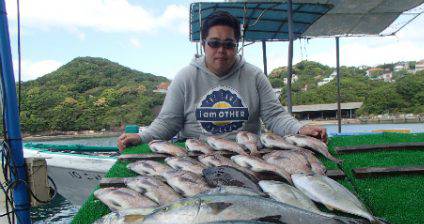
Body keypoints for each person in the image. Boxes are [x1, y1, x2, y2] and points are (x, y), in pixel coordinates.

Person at [118, 11, 327, 152]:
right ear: (203, 44)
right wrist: (143, 137)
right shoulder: (184, 77)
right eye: (214, 43)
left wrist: (300, 129)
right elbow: (168, 122)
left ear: (237, 46)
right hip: (197, 157)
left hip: (248, 156)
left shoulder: (254, 76)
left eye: (229, 44)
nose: (221, 50)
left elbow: (275, 116)